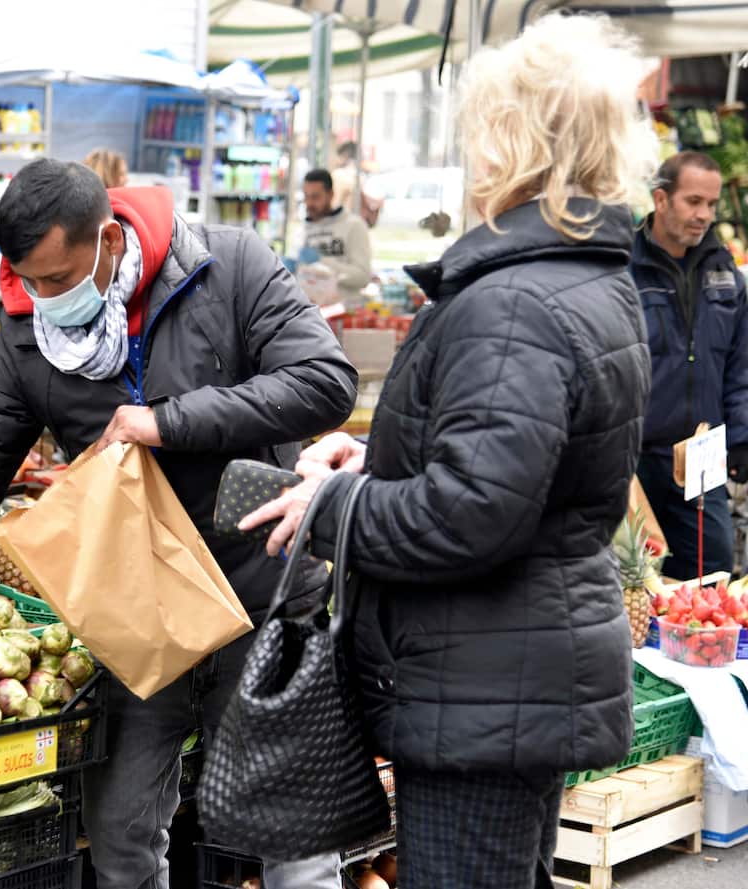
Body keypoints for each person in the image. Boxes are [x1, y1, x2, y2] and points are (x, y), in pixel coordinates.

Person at [0, 158, 358, 889]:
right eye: (28, 280)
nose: (41, 297)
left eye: (57, 279)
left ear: (110, 240)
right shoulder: (28, 337)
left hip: (263, 596)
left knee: (296, 845)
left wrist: (168, 422)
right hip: (137, 616)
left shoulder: (230, 265)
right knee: (120, 841)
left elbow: (323, 381)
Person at [241, 15, 652, 889]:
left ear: (512, 141)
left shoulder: (512, 305)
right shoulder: (588, 279)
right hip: (519, 667)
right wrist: (379, 465)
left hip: (480, 681)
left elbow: (470, 514)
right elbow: (516, 473)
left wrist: (330, 508)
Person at [630, 150, 748, 581]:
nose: (704, 215)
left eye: (712, 205)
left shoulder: (724, 272)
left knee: (712, 571)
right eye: (693, 201)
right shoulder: (624, 270)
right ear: (661, 199)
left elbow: (740, 363)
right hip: (633, 458)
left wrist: (742, 435)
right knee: (634, 579)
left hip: (702, 452)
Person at [301, 168, 373, 309]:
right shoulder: (304, 229)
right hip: (312, 314)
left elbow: (362, 277)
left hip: (343, 313)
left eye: (315, 197)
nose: (309, 203)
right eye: (306, 196)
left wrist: (323, 263)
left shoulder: (354, 226)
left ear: (330, 195)